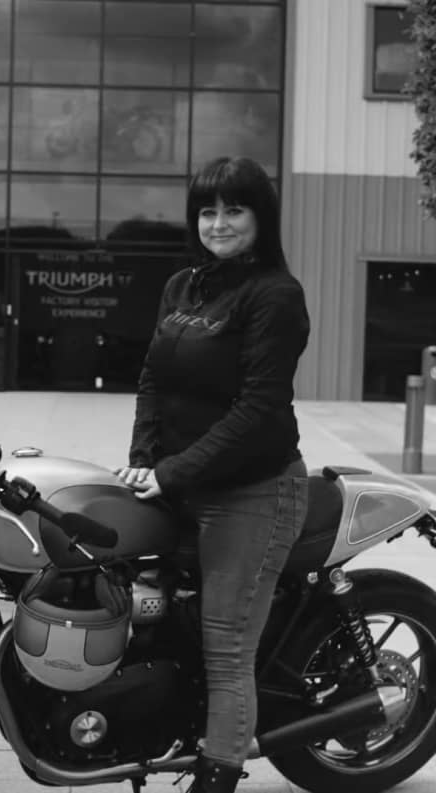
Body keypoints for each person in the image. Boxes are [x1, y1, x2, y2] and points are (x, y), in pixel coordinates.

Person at [115, 156, 311, 793]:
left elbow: (257, 410)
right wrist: (145, 460)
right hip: (178, 481)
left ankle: (218, 776)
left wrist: (171, 474)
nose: (219, 223)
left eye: (234, 209)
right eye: (207, 210)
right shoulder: (183, 287)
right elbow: (152, 379)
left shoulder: (276, 296)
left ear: (261, 217)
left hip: (252, 489)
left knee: (227, 646)